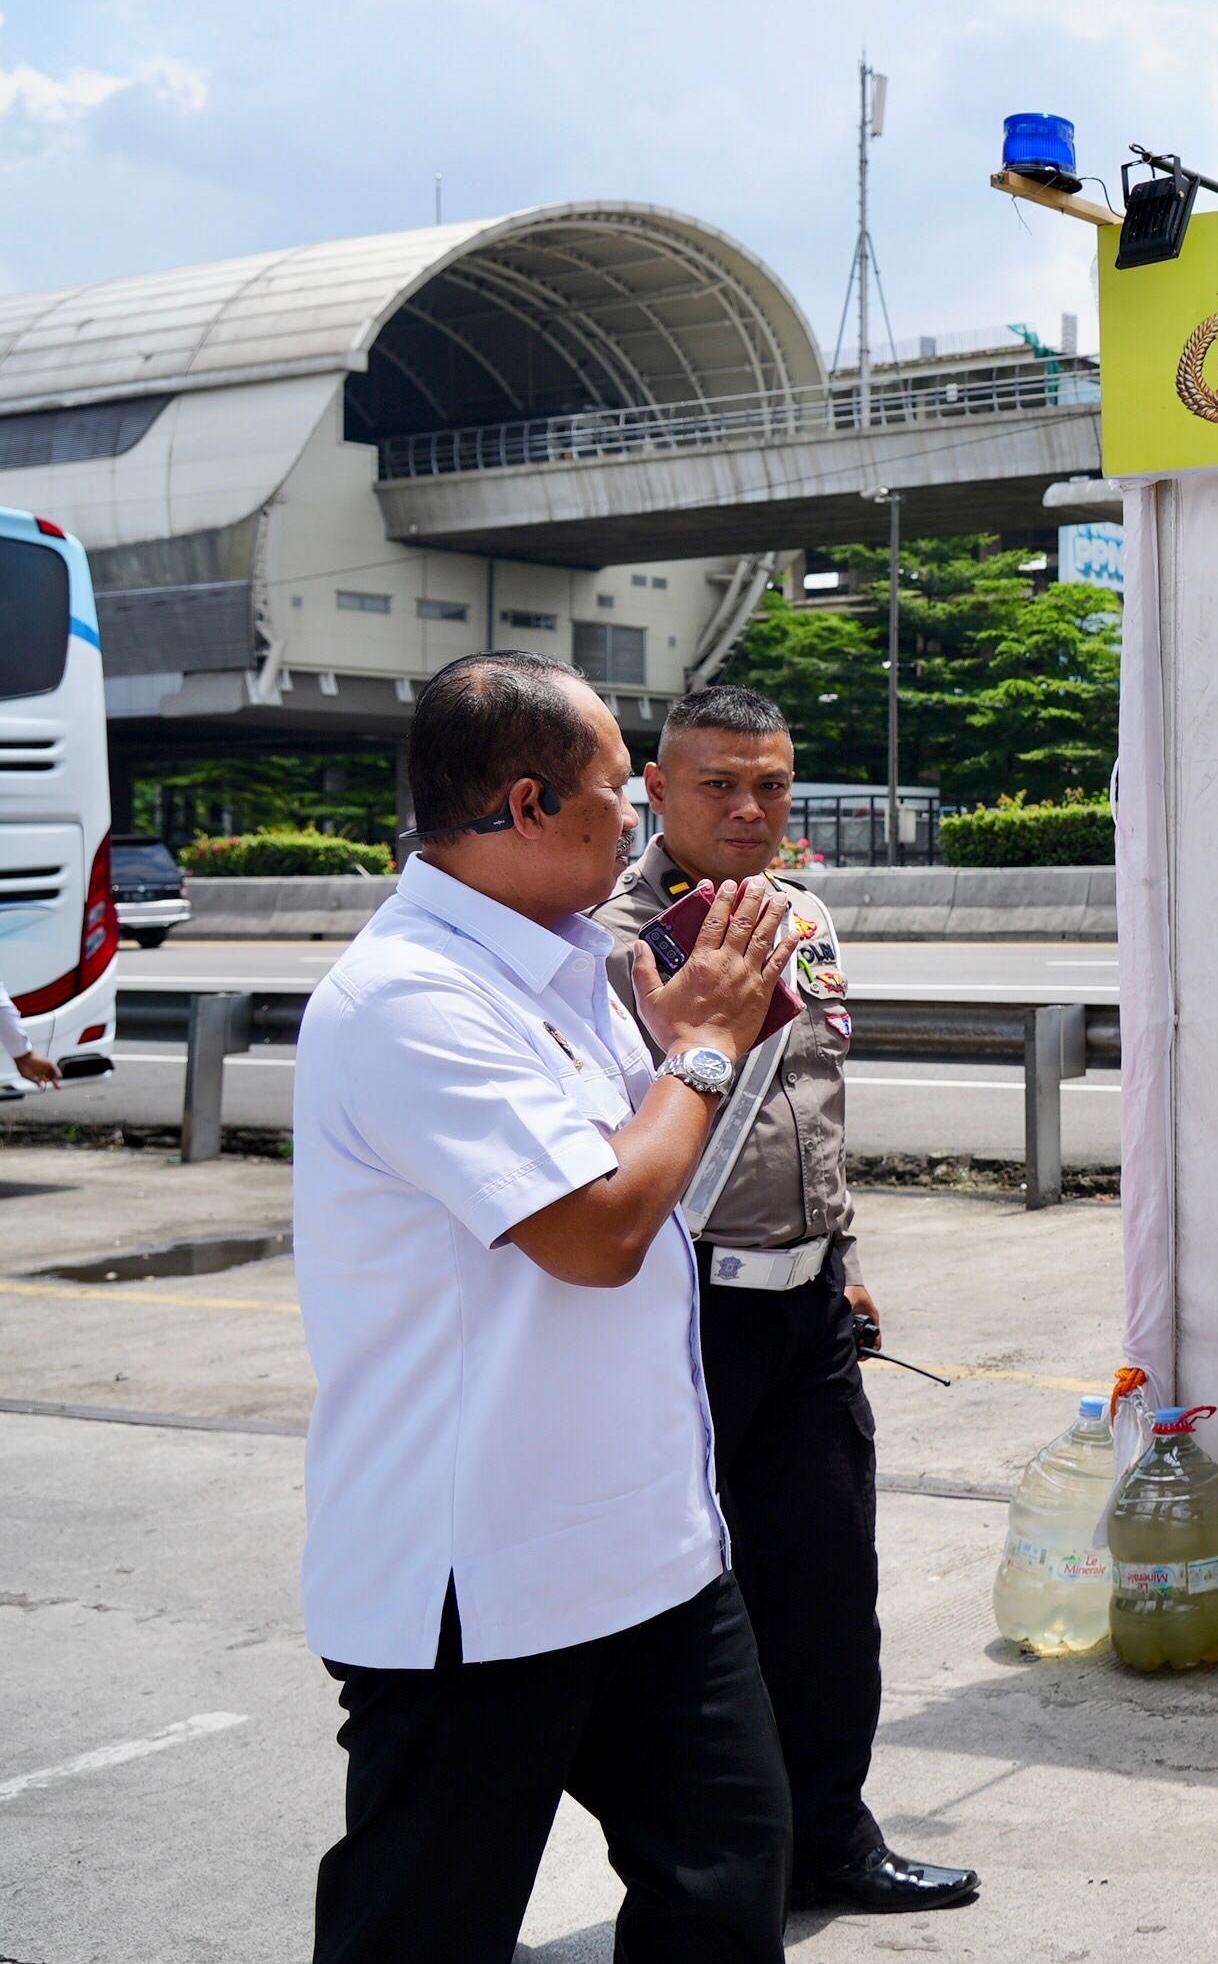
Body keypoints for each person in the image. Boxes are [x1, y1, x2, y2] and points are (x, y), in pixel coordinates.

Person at [294, 651, 802, 1962]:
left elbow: (652, 1162)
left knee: (727, 1877)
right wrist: (699, 1047)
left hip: (649, 1556)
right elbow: (600, 1230)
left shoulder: (573, 969)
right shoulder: (411, 1001)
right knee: (424, 1927)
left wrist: (698, 1037)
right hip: (483, 1584)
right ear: (528, 805)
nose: (635, 813)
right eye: (615, 787)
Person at [592, 685, 977, 1917]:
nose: (752, 808)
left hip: (806, 1303)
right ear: (657, 789)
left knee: (826, 1590)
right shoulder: (606, 940)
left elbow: (814, 1105)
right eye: (721, 784)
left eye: (773, 784)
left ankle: (830, 1836)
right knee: (680, 1609)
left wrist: (844, 1250)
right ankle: (707, 1869)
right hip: (681, 1307)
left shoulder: (805, 913)